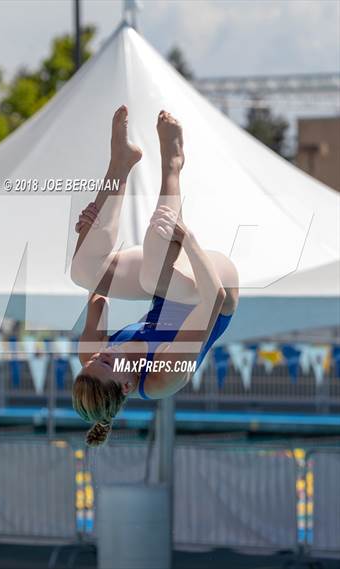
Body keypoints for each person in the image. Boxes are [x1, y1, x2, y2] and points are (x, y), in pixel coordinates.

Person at [71, 105, 239, 447]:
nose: (95, 357)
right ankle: (173, 162)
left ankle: (120, 163)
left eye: (89, 363)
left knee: (83, 271)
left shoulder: (91, 357)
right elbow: (215, 299)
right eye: (103, 363)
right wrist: (188, 239)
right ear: (128, 386)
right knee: (152, 275)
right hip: (214, 284)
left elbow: (97, 290)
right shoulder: (164, 379)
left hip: (165, 283)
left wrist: (88, 231)